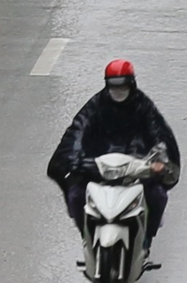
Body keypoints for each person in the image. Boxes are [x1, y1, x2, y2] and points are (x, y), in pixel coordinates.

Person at [46, 60, 180, 248]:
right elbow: (77, 131)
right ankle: (87, 237)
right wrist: (73, 158)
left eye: (122, 87)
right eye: (114, 87)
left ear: (131, 84)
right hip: (98, 167)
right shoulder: (95, 106)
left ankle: (146, 239)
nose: (118, 92)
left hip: (137, 166)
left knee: (158, 196)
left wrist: (160, 159)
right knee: (76, 195)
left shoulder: (143, 106)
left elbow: (158, 132)